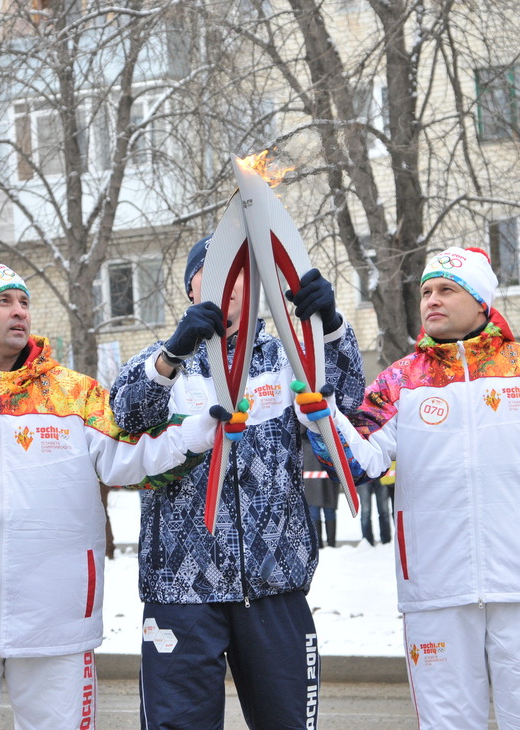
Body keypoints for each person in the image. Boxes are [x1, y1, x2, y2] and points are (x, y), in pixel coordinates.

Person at [0, 259, 220, 730]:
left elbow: (129, 456)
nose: (19, 311)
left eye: (24, 301)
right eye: (3, 301)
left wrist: (198, 431)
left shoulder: (74, 395)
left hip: (56, 622)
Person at [305, 246, 520, 729]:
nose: (432, 300)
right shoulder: (401, 381)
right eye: (426, 291)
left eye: (446, 289)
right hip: (435, 588)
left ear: (480, 300)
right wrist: (324, 420)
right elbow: (359, 464)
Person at [109, 234, 366, 730]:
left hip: (276, 584)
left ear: (258, 286)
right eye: (215, 268)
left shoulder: (287, 356)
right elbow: (127, 415)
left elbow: (347, 402)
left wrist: (330, 328)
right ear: (191, 288)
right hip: (181, 590)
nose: (229, 280)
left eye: (241, 271)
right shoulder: (159, 361)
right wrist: (171, 355)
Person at [303, 437, 340, 547]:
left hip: (324, 460)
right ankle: (319, 543)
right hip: (312, 462)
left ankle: (330, 543)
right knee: (315, 509)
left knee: (328, 508)